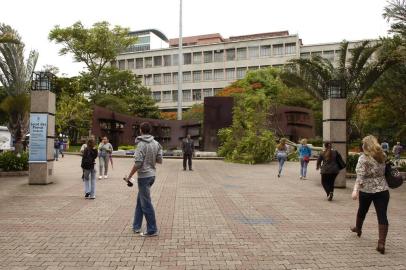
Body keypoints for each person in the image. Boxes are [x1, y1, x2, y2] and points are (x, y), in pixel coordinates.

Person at [351, 135, 389, 254]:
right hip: (383, 190)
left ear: (366, 145)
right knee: (382, 215)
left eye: (363, 144)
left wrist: (355, 190)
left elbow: (360, 176)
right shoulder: (382, 155)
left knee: (362, 210)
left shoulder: (363, 158)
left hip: (366, 190)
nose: (362, 146)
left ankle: (358, 228)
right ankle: (381, 243)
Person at [124, 122, 163, 237]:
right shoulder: (156, 143)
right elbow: (159, 160)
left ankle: (152, 229)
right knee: (140, 201)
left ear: (141, 130)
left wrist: (129, 176)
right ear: (149, 130)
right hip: (152, 175)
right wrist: (150, 159)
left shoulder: (141, 144)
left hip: (144, 177)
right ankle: (136, 226)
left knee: (146, 204)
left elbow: (138, 163)